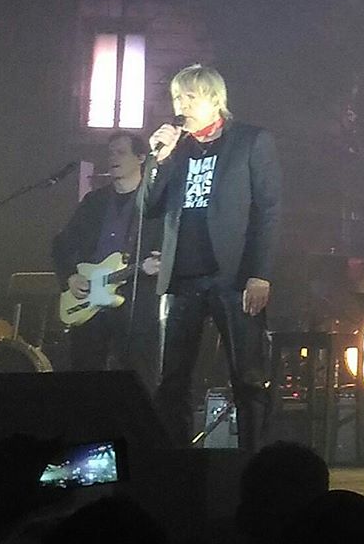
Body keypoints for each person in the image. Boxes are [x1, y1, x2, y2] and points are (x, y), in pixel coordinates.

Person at [141, 63, 281, 452]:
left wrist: (260, 274)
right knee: (172, 379)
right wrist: (160, 160)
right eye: (176, 97)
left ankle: (254, 460)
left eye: (190, 96)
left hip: (232, 275)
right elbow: (148, 207)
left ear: (215, 99)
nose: (181, 105)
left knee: (248, 377)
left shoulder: (251, 141)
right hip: (182, 276)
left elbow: (268, 210)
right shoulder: (175, 149)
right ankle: (176, 460)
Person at [52, 131, 161, 389]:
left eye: (121, 152)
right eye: (110, 152)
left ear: (141, 158)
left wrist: (157, 263)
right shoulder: (94, 201)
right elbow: (61, 243)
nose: (113, 158)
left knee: (137, 379)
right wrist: (70, 276)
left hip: (134, 305)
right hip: (88, 305)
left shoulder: (155, 203)